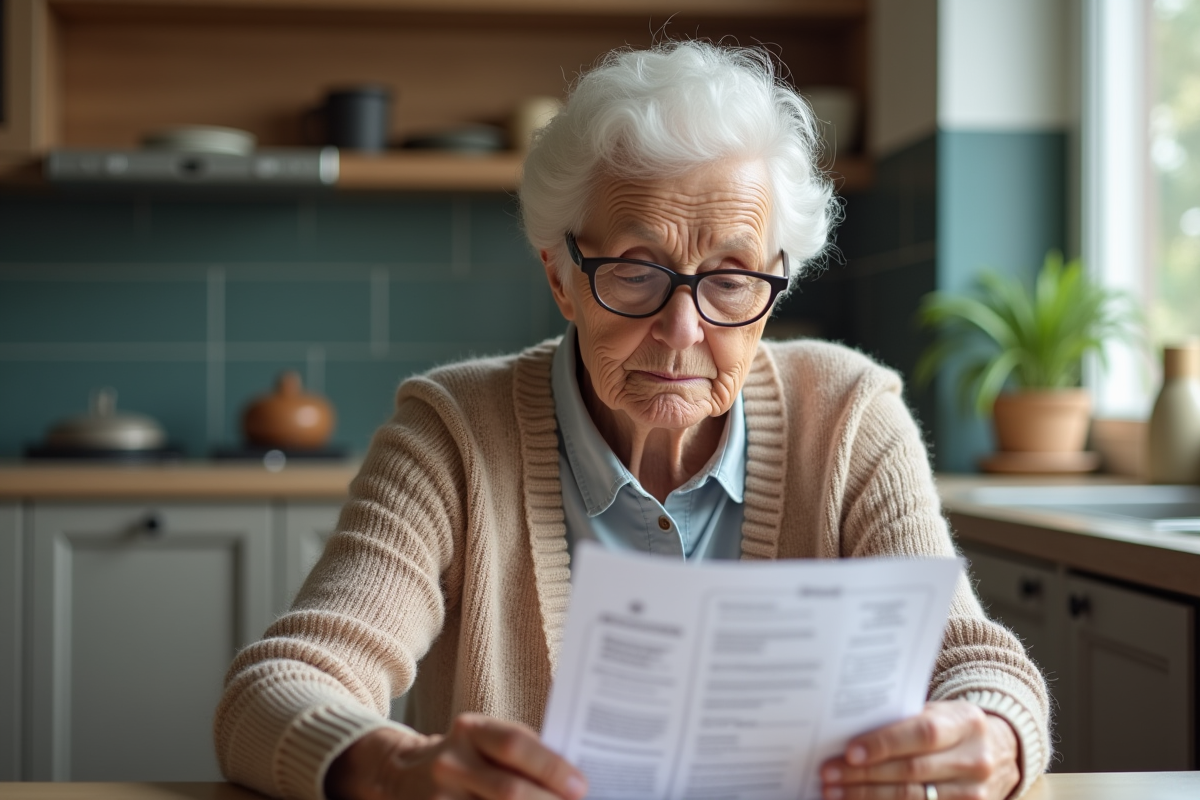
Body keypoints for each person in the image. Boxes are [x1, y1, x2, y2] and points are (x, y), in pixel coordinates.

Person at [214, 42, 1049, 800]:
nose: (682, 330)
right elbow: (276, 689)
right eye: (637, 271)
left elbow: (974, 662)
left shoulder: (849, 417)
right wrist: (395, 770)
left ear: (774, 290)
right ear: (562, 276)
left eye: (730, 279)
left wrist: (993, 738)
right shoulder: (453, 434)